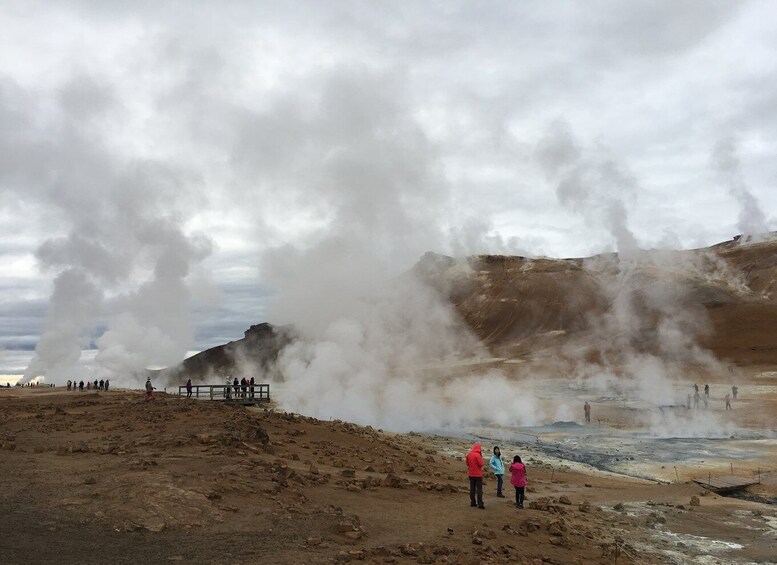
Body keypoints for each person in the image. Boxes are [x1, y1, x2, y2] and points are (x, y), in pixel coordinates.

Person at [465, 443, 485, 509]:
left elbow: (467, 463)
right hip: (478, 475)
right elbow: (481, 464)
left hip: (471, 474)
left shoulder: (469, 454)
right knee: (479, 490)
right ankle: (480, 504)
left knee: (472, 489)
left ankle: (473, 502)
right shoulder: (477, 455)